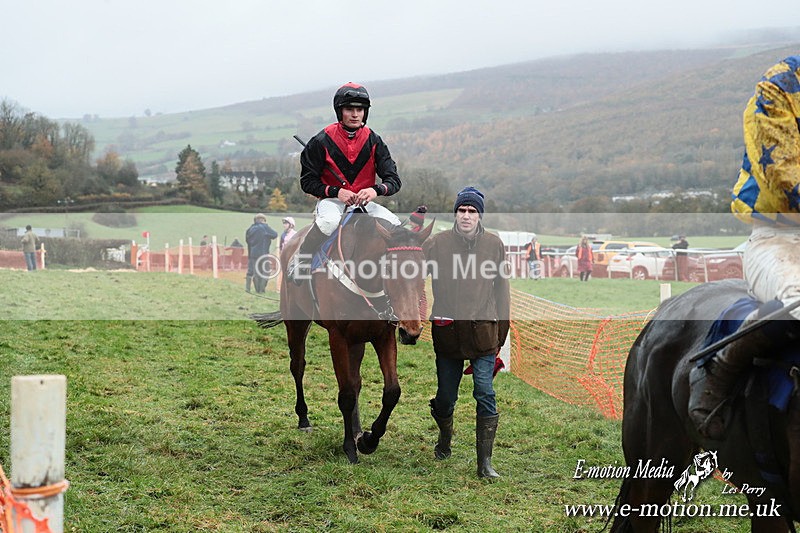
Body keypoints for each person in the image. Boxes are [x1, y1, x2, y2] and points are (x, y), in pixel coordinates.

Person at [690, 55, 800, 439]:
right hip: (782, 237)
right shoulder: (782, 84)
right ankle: (720, 371)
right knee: (799, 300)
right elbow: (783, 177)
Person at [423, 186, 511, 479]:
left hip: (483, 335)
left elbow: (502, 291)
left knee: (484, 391)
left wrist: (501, 334)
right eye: (462, 210)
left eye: (472, 211)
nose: (466, 216)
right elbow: (409, 270)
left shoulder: (494, 245)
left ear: (479, 215)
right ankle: (445, 437)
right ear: (455, 214)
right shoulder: (436, 244)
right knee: (446, 398)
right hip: (447, 335)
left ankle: (484, 464)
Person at [287, 82, 402, 283]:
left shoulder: (375, 141)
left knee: (396, 225)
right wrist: (335, 192)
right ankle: (302, 260)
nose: (355, 114)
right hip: (332, 202)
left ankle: (394, 280)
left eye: (360, 109)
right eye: (350, 109)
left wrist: (375, 190)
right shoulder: (321, 141)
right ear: (340, 111)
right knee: (329, 222)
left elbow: (393, 180)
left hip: (365, 203)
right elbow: (307, 182)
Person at [245, 214, 278, 293]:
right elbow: (275, 234)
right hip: (263, 254)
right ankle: (261, 290)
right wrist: (266, 226)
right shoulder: (264, 228)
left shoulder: (250, 229)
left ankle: (250, 289)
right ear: (263, 220)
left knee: (255, 273)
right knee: (266, 272)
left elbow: (248, 241)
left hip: (253, 253)